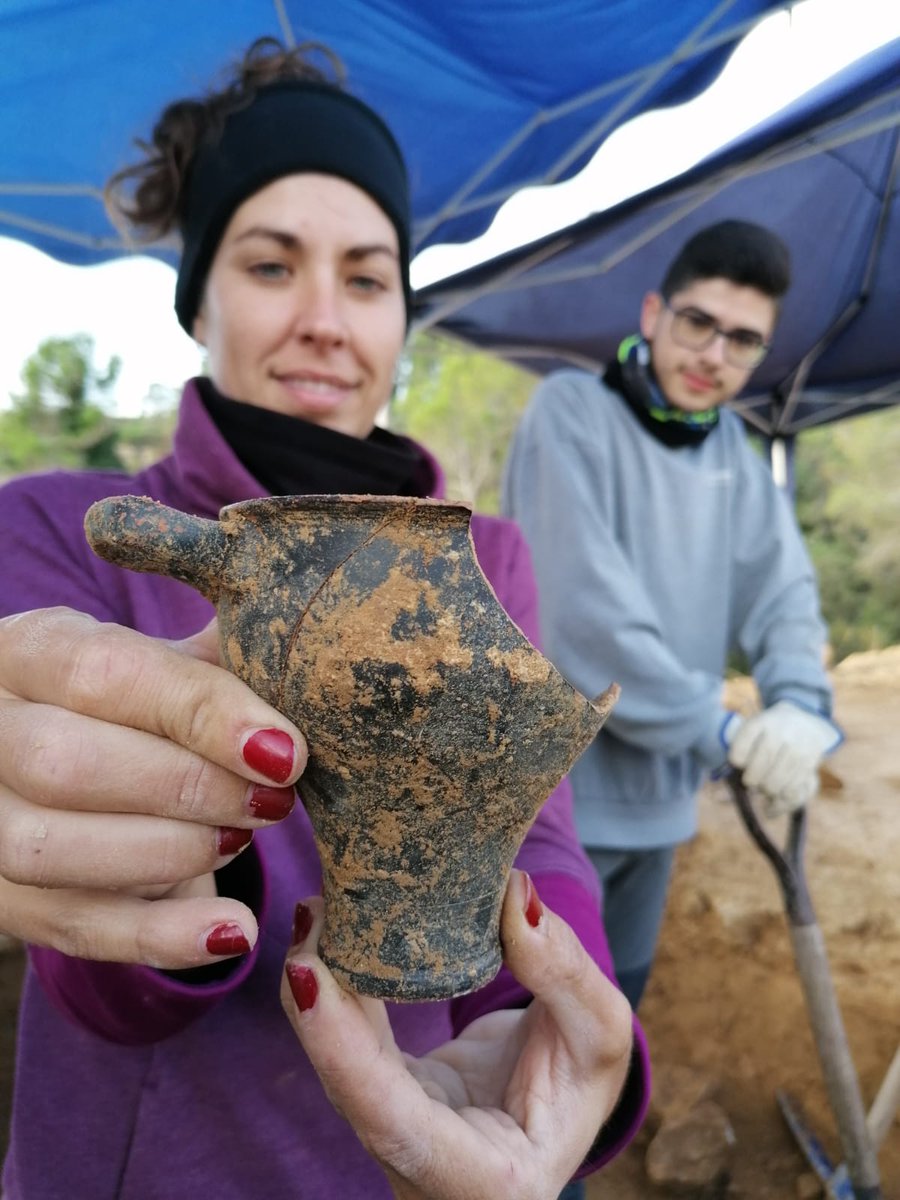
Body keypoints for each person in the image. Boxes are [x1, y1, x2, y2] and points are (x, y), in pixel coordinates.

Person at [0, 38, 649, 1200]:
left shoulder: (483, 556)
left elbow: (535, 835)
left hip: (401, 1134)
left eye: (365, 278)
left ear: (403, 315)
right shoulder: (67, 530)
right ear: (197, 298)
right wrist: (110, 849)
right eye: (268, 265)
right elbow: (90, 959)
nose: (324, 321)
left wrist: (549, 1021)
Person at [502, 220, 843, 1012]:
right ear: (654, 314)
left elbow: (784, 593)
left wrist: (801, 706)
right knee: (530, 1022)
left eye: (743, 341)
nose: (714, 355)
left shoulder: (735, 456)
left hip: (663, 810)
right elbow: (582, 615)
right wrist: (720, 730)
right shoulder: (572, 413)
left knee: (618, 1011)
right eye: (698, 323)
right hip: (555, 808)